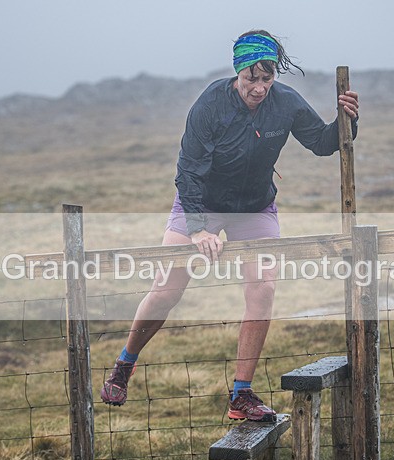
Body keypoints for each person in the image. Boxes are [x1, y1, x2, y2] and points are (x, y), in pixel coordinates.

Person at [100, 30, 359, 422]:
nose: (258, 87)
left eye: (266, 78)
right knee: (168, 288)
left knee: (263, 289)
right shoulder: (210, 104)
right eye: (250, 79)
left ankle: (241, 394)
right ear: (237, 72)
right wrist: (198, 228)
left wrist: (347, 120)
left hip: (255, 208)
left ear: (274, 74)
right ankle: (125, 363)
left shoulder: (285, 103)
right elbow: (187, 170)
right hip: (200, 202)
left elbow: (323, 143)